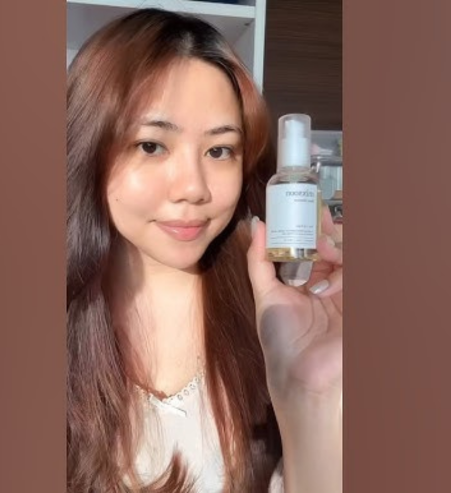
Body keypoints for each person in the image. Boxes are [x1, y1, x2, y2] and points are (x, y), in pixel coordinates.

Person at [67, 8, 342, 493]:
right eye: (151, 146)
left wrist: (315, 398)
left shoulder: (278, 316)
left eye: (219, 151)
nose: (193, 188)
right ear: (88, 145)